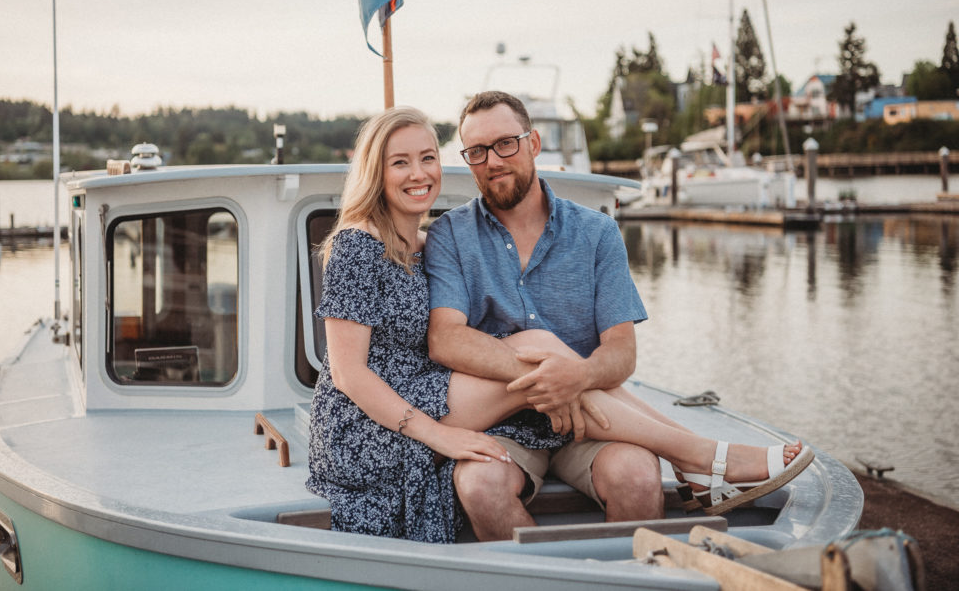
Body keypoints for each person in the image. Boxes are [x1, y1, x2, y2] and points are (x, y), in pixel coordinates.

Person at [307, 104, 813, 544]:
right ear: (376, 171)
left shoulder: (427, 242)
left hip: (448, 396)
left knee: (545, 354)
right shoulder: (369, 243)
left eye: (427, 158)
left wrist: (576, 377)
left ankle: (692, 465)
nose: (419, 173)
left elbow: (620, 353)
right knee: (535, 351)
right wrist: (441, 436)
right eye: (400, 162)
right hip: (374, 422)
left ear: (533, 144)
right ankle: (699, 456)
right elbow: (354, 372)